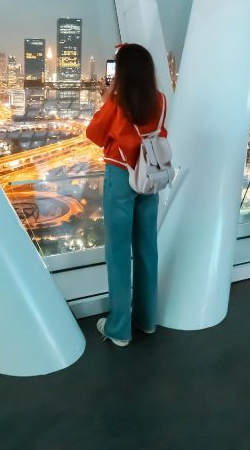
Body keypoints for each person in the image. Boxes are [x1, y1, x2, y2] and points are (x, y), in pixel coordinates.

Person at [85, 43, 167, 347]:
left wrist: (106, 99)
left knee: (118, 252)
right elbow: (159, 133)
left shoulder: (117, 102)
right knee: (147, 247)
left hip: (121, 176)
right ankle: (146, 320)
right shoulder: (159, 99)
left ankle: (119, 328)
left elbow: (94, 134)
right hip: (149, 177)